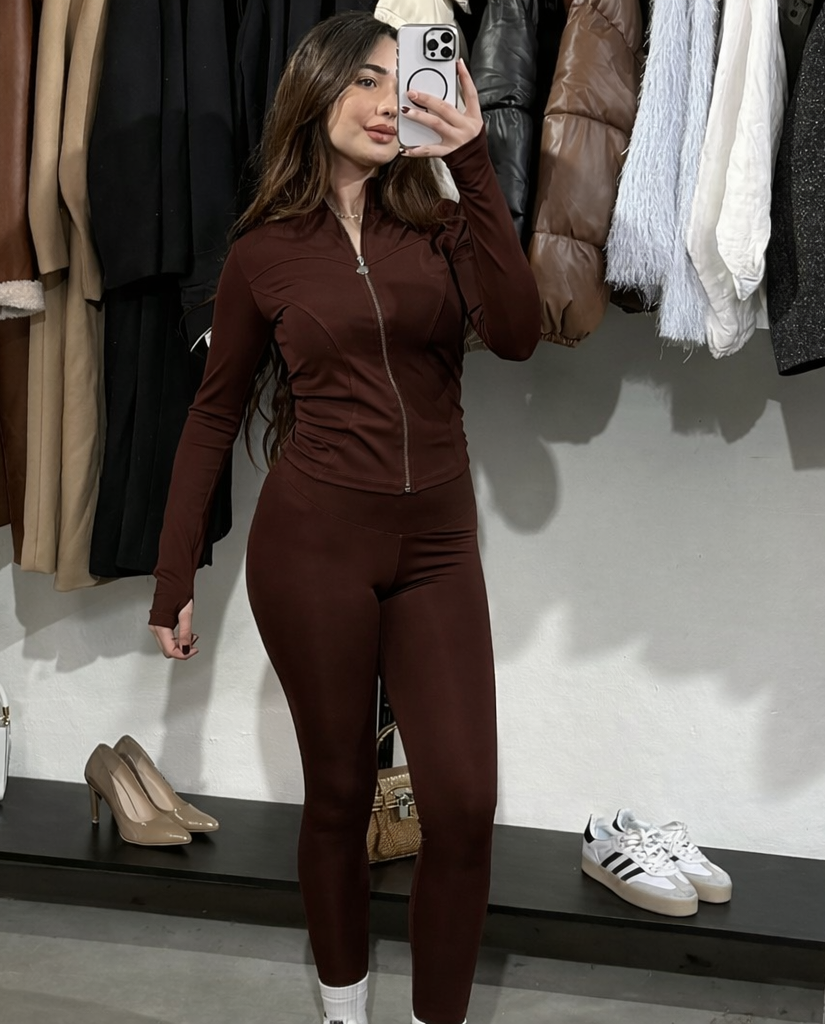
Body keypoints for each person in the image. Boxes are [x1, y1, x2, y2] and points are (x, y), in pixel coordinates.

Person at [148, 13, 541, 1024]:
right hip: (312, 548)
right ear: (313, 94)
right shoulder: (262, 254)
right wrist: (174, 572)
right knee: (338, 794)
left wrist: (474, 163)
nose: (383, 102)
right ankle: (343, 1010)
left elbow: (517, 334)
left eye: (395, 81)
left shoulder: (442, 222)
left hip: (438, 546)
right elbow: (213, 413)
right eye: (361, 80)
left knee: (463, 806)